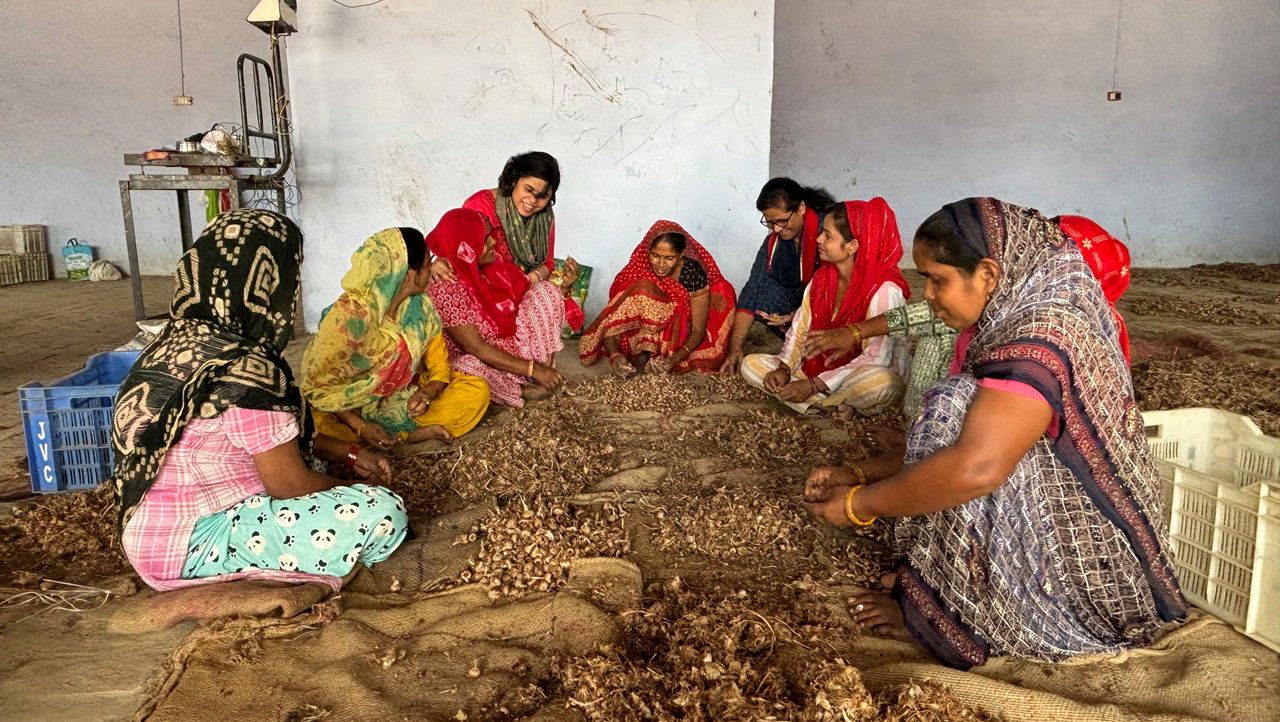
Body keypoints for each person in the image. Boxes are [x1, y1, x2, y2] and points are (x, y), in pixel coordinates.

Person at [802, 198, 1185, 668]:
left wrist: (856, 506)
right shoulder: (1011, 317)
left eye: (937, 279)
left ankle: (972, 613)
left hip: (1085, 569)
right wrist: (859, 474)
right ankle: (936, 582)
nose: (927, 295)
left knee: (952, 407)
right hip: (1054, 504)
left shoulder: (1038, 339)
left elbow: (977, 468)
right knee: (957, 405)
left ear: (987, 273)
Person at [112, 209, 408, 592]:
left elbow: (262, 437)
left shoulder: (171, 346)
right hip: (197, 544)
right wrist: (349, 490)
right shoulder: (244, 370)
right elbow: (289, 483)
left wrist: (351, 455)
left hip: (145, 534)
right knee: (382, 512)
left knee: (318, 463)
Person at [802, 214, 1133, 420]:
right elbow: (918, 314)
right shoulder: (994, 306)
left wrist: (859, 498)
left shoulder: (1040, 340)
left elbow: (981, 463)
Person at [300, 227, 490, 448]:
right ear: (411, 274)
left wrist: (427, 393)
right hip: (349, 407)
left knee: (477, 391)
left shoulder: (421, 309)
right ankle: (402, 434)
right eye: (428, 265)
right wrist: (360, 425)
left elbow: (439, 367)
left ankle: (397, 433)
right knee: (319, 426)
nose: (431, 272)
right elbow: (320, 388)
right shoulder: (349, 317)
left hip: (399, 399)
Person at [740, 198, 909, 416]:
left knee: (882, 383)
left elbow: (877, 358)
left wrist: (813, 385)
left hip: (858, 376)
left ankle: (815, 400)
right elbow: (798, 332)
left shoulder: (884, 289)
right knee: (750, 365)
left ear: (852, 247)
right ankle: (826, 407)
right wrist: (783, 368)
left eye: (827, 236)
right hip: (815, 371)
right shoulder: (821, 279)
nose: (818, 239)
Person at [426, 208, 578, 407]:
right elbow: (476, 347)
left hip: (508, 343)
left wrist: (563, 288)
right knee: (466, 368)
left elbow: (524, 290)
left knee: (546, 292)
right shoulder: (445, 286)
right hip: (479, 356)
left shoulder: (491, 264)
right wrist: (533, 369)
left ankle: (537, 374)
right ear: (465, 247)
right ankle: (519, 388)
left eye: (490, 235)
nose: (493, 242)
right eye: (484, 239)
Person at [578, 220, 737, 375]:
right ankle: (643, 355)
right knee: (643, 288)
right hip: (639, 336)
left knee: (719, 291)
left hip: (677, 334)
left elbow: (697, 329)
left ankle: (647, 357)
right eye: (655, 255)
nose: (661, 264)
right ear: (648, 251)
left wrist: (673, 359)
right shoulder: (638, 268)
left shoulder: (691, 274)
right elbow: (615, 317)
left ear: (681, 255)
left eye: (669, 258)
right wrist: (614, 355)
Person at [719, 178, 836, 372]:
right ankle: (798, 346)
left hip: (829, 307)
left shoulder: (828, 232)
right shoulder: (774, 244)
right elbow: (752, 289)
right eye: (770, 222)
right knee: (762, 291)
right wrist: (735, 349)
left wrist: (799, 315)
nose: (776, 229)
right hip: (801, 307)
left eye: (782, 221)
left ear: (801, 208)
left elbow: (839, 283)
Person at [462, 151, 587, 329]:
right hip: (482, 292)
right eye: (528, 190)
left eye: (543, 196)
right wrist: (510, 286)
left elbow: (548, 263)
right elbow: (465, 260)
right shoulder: (480, 206)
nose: (533, 201)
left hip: (523, 288)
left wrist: (527, 280)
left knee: (549, 295)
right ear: (513, 180)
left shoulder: (544, 218)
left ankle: (535, 356)